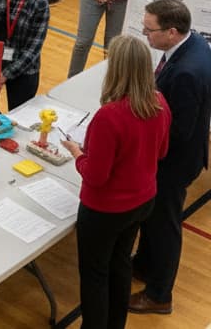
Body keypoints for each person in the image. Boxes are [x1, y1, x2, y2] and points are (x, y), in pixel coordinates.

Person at [62, 34, 171, 329]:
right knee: (121, 263)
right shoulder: (159, 102)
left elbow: (96, 176)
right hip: (142, 200)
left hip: (105, 210)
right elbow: (161, 151)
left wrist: (78, 153)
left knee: (95, 274)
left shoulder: (109, 116)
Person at [129, 0, 211, 315]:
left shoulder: (187, 73)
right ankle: (145, 265)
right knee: (153, 218)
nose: (145, 35)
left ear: (172, 32)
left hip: (174, 164)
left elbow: (179, 131)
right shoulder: (193, 46)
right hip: (175, 159)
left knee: (165, 227)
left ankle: (159, 294)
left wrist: (139, 127)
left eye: (150, 30)